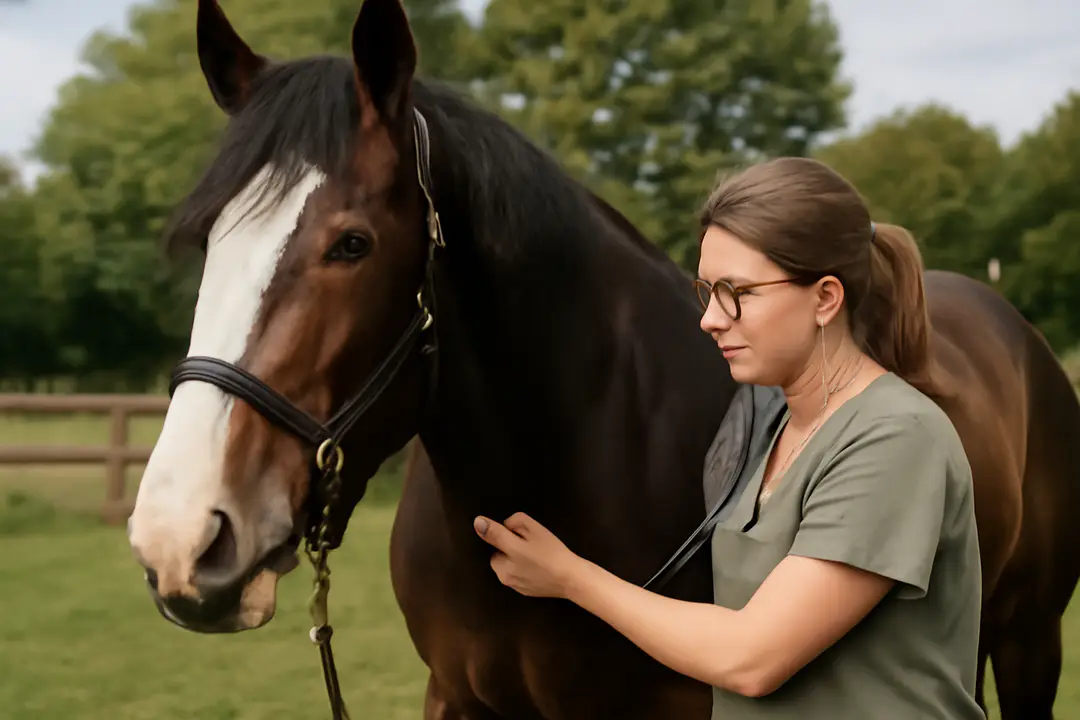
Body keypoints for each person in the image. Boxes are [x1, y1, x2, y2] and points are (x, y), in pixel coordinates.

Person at [471, 157, 986, 718]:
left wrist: (570, 577)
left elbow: (751, 658)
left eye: (737, 292)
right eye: (707, 291)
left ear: (825, 298)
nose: (711, 319)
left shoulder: (894, 439)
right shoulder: (777, 429)